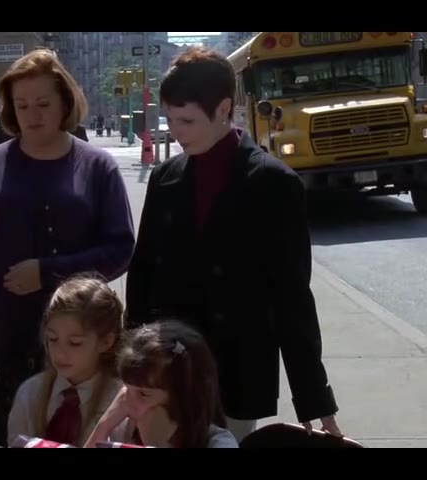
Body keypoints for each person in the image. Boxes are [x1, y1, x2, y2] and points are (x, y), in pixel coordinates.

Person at [124, 46, 341, 443]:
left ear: (224, 109)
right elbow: (142, 276)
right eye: (170, 119)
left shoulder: (273, 184)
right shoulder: (165, 178)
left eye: (187, 120)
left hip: (238, 374)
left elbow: (291, 298)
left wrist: (313, 396)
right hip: (166, 375)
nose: (176, 131)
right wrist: (131, 366)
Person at [0, 49, 135, 425]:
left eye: (43, 104)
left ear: (64, 103)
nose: (32, 114)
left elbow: (120, 249)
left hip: (76, 348)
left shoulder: (97, 167)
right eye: (21, 105)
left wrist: (48, 272)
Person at [7, 276, 124, 447]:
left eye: (75, 343)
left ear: (105, 342)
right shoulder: (31, 393)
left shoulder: (121, 401)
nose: (60, 353)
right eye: (53, 339)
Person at [84, 320, 237, 448]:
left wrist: (158, 444)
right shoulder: (127, 428)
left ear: (182, 399)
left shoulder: (220, 443)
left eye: (143, 394)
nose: (129, 403)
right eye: (127, 390)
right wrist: (104, 426)